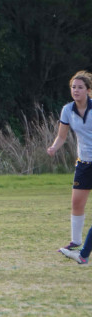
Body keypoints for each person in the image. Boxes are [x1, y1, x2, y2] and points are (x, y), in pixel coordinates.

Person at [48, 70, 92, 251]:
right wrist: (53, 147)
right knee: (76, 203)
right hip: (84, 163)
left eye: (80, 87)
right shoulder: (67, 110)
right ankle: (75, 241)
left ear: (88, 90)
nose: (76, 90)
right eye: (74, 87)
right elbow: (61, 136)